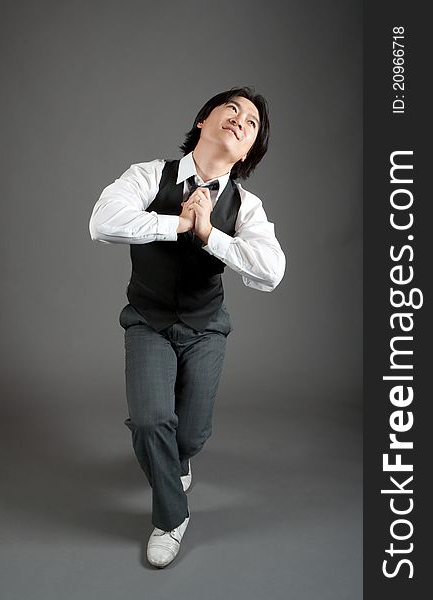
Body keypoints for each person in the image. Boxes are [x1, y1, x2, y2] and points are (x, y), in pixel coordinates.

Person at [89, 86, 286, 568]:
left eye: (252, 124)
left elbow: (270, 272)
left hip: (204, 328)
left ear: (247, 152)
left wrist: (208, 234)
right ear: (204, 120)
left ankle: (180, 457)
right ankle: (171, 518)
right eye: (231, 110)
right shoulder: (148, 176)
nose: (240, 120)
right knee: (152, 421)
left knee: (189, 436)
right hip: (148, 322)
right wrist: (175, 224)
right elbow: (102, 222)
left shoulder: (247, 207)